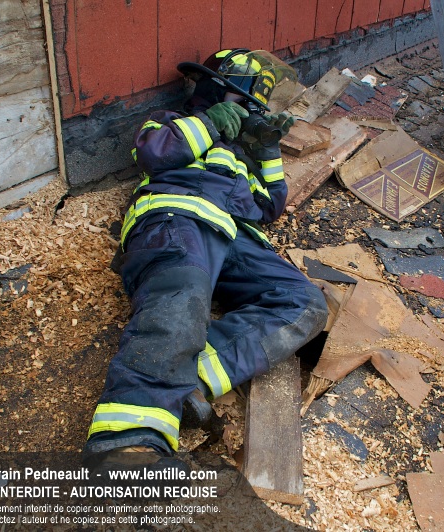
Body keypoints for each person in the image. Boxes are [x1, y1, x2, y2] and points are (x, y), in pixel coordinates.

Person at [83, 49, 329, 459]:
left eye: (253, 108)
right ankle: (130, 443)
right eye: (241, 102)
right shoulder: (170, 122)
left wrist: (267, 150)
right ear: (214, 90)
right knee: (183, 295)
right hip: (177, 220)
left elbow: (269, 207)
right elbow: (153, 153)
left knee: (305, 304)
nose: (247, 113)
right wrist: (210, 122)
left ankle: (186, 379)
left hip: (235, 237)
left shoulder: (240, 157)